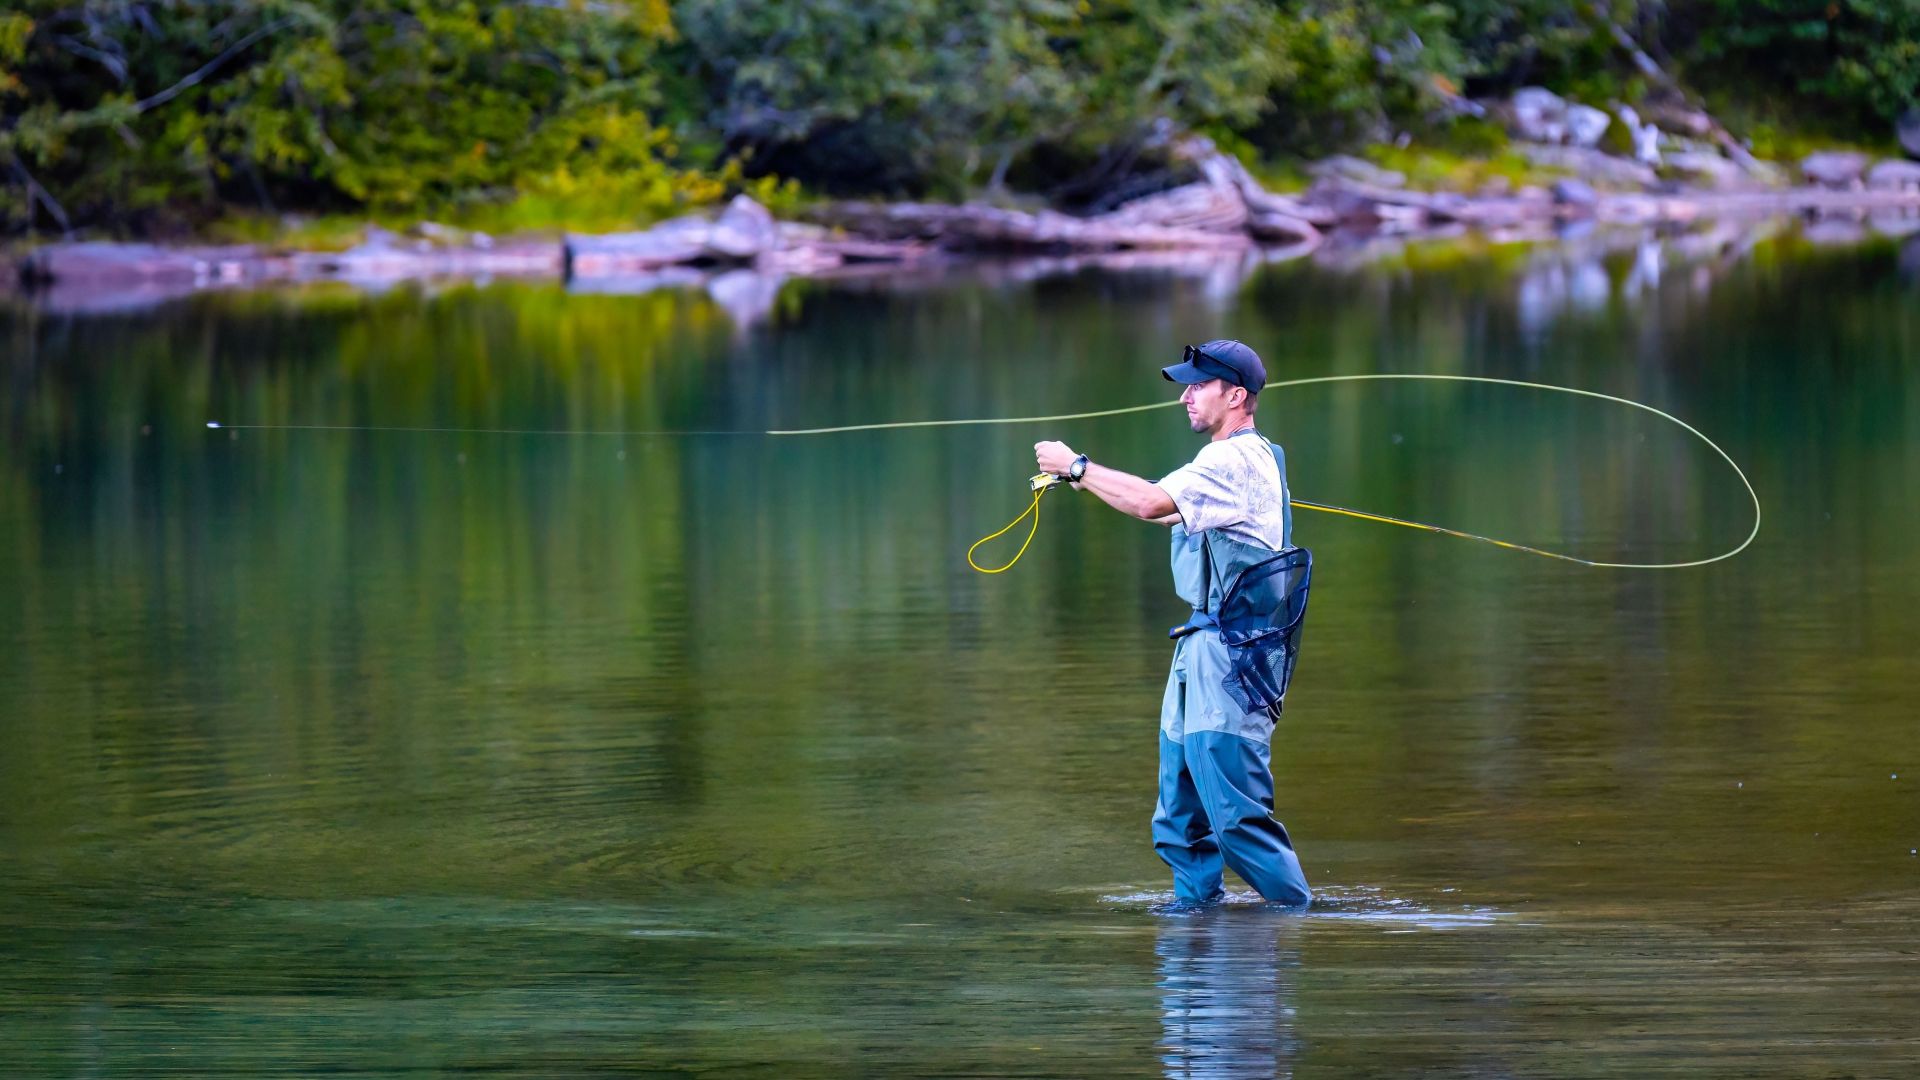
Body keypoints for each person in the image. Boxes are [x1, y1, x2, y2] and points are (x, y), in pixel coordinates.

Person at [1034, 340, 1311, 907]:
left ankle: (1299, 923)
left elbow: (1150, 504)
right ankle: (1196, 932)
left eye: (1197, 386)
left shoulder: (1232, 459)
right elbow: (1157, 503)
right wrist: (1077, 478)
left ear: (1236, 396)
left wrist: (1075, 466)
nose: (1185, 396)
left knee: (1236, 819)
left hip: (1233, 655)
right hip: (1199, 648)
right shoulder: (1228, 459)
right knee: (1180, 815)